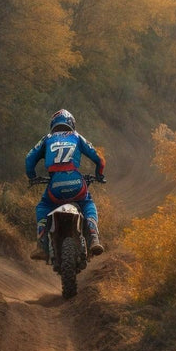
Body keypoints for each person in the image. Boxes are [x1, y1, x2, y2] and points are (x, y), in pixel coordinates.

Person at [26, 109, 105, 259]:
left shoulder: (47, 139)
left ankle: (41, 244)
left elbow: (29, 159)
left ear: (53, 124)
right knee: (88, 203)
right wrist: (99, 175)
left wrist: (32, 176)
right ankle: (94, 237)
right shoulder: (76, 137)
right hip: (77, 185)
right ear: (72, 124)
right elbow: (99, 159)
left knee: (43, 206)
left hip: (55, 188)